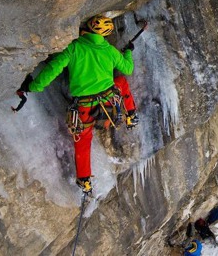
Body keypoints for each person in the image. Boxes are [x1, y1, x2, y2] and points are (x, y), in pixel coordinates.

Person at [17, 15, 139, 194]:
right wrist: (127, 52)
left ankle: (85, 181)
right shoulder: (110, 50)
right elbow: (128, 68)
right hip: (109, 102)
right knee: (120, 81)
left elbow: (52, 69)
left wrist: (32, 86)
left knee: (82, 142)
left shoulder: (73, 49)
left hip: (85, 108)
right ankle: (131, 115)